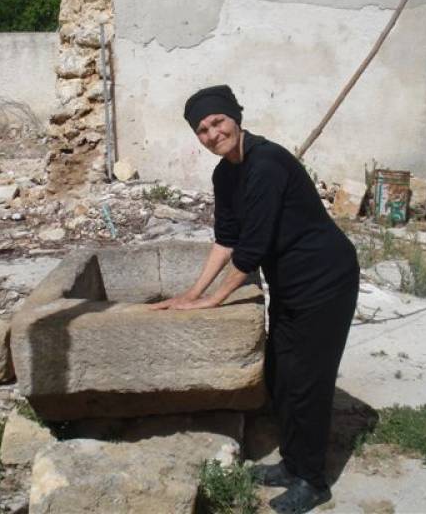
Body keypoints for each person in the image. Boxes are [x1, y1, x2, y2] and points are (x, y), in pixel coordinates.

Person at [150, 85, 360, 513]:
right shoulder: (225, 174)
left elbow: (253, 247)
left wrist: (214, 301)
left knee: (309, 381)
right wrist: (191, 293)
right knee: (282, 375)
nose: (212, 133)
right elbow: (227, 239)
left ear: (235, 118)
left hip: (326, 278)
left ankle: (313, 481)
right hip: (291, 282)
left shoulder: (267, 163)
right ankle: (292, 464)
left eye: (217, 122)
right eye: (202, 129)